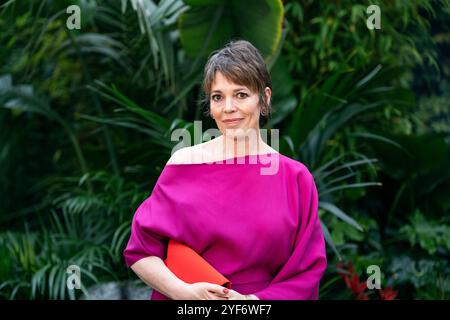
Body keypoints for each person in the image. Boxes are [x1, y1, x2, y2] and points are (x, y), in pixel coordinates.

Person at [123, 40, 327, 300]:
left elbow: (306, 272)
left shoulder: (295, 178)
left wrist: (250, 303)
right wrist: (183, 292)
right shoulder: (184, 165)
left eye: (241, 94)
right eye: (218, 97)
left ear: (264, 99)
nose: (228, 108)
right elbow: (141, 251)